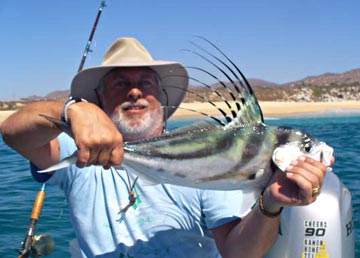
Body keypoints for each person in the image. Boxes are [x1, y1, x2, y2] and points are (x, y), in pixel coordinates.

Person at [1, 37, 332, 258]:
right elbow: (14, 133)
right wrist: (71, 110)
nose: (134, 92)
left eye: (145, 83)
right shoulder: (82, 150)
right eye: (120, 83)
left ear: (159, 97)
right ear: (99, 99)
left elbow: (238, 252)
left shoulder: (213, 156)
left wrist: (270, 203)